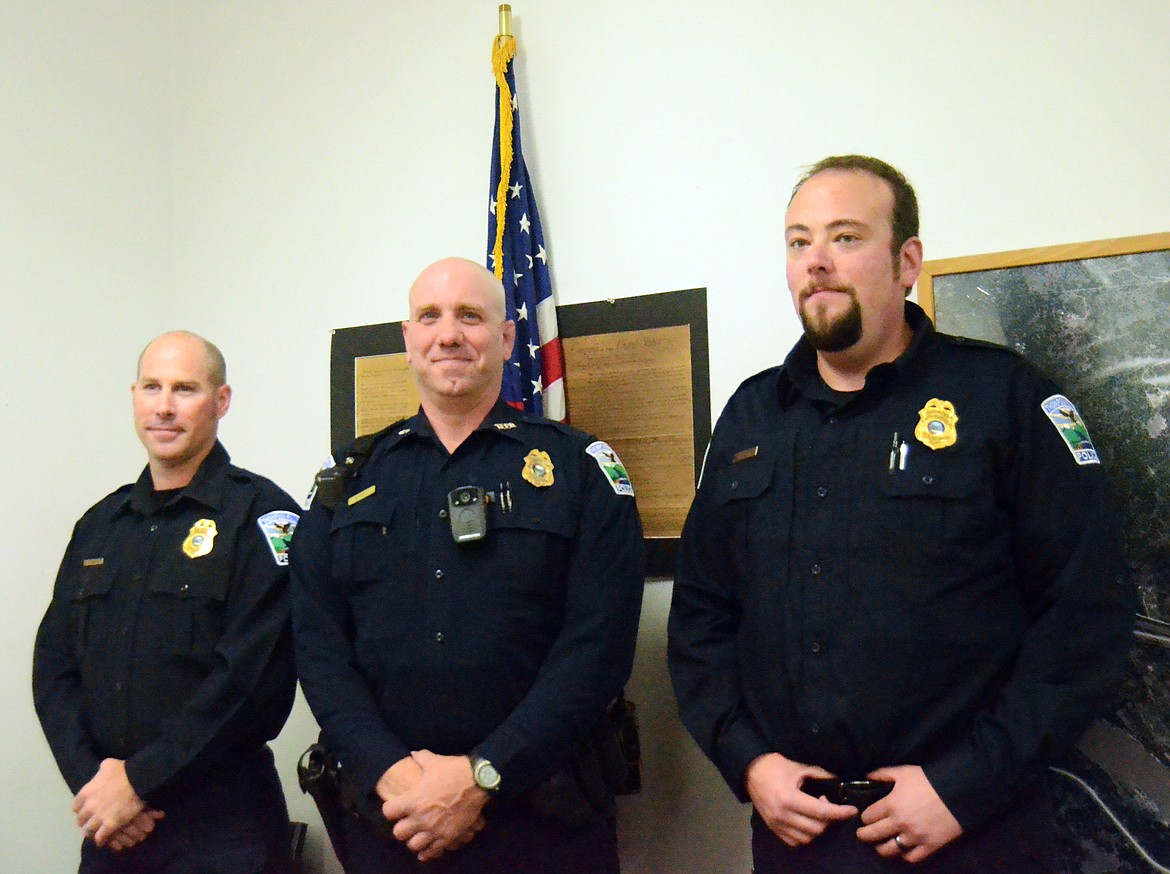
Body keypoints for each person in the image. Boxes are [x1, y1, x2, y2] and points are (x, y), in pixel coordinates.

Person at [667, 155, 1135, 872]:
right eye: (799, 242)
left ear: (906, 260)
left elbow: (1086, 614)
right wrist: (748, 761)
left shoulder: (1003, 401)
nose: (817, 261)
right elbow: (701, 616)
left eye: (846, 238)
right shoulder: (751, 417)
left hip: (968, 831)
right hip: (800, 835)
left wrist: (966, 784)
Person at [291, 257, 644, 872]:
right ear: (407, 340)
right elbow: (319, 649)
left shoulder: (580, 470)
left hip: (545, 825)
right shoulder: (347, 483)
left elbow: (599, 647)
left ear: (507, 338)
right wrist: (393, 774)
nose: (448, 334)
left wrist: (483, 775)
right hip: (393, 824)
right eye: (430, 316)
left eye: (471, 316)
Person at [33, 331, 299, 873]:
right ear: (134, 395)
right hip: (114, 830)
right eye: (152, 387)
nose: (165, 406)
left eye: (185, 389)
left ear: (221, 401)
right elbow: (54, 671)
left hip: (224, 831)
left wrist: (136, 782)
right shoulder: (100, 526)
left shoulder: (263, 518)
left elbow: (247, 686)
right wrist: (95, 784)